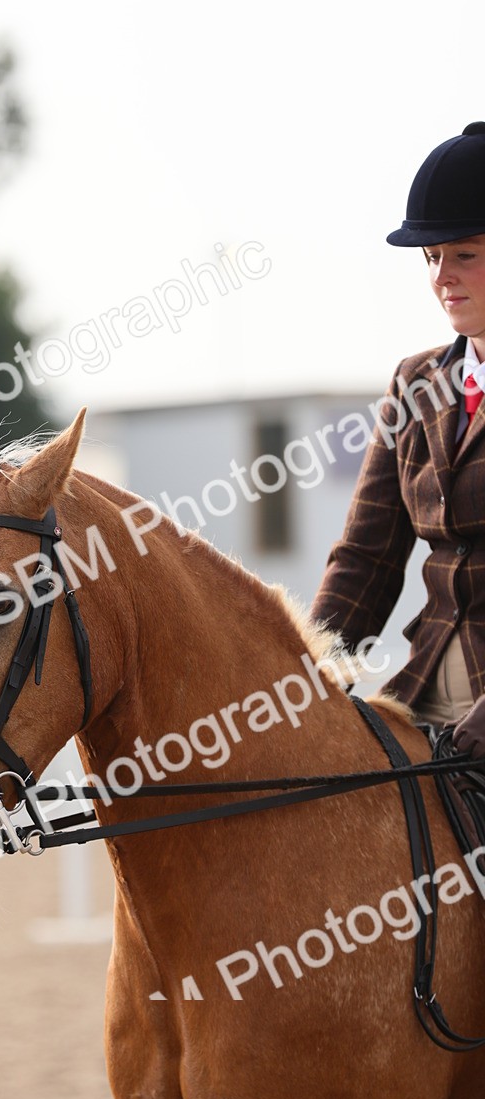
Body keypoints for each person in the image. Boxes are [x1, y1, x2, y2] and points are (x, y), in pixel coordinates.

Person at [310, 122, 485, 747]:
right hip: (427, 688)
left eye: (463, 254)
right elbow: (368, 557)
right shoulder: (415, 383)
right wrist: (307, 679)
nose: (442, 277)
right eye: (432, 258)